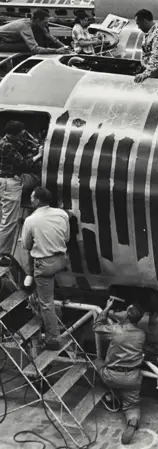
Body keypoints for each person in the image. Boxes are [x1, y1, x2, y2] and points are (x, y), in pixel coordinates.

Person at [21, 187, 70, 351]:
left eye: (32, 197)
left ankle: (53, 339)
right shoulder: (62, 214)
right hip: (62, 260)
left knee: (46, 303)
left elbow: (26, 245)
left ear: (37, 201)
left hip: (45, 266)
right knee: (48, 293)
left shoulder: (30, 220)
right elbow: (67, 237)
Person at [93, 297, 146, 445]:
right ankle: (132, 423)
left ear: (127, 315)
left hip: (112, 375)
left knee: (97, 361)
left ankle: (109, 395)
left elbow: (97, 326)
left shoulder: (116, 330)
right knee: (132, 406)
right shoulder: (141, 334)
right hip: (132, 378)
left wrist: (106, 309)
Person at [0, 121, 44, 258]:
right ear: (14, 134)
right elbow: (23, 164)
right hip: (9, 183)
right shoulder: (6, 146)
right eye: (20, 135)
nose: (21, 137)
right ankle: (3, 253)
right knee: (9, 221)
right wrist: (39, 154)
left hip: (5, 180)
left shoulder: (6, 142)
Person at [0, 9, 70, 54]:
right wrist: (56, 51)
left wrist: (64, 47)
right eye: (45, 23)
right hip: (1, 42)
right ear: (38, 21)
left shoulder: (32, 23)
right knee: (28, 47)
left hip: (6, 40)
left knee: (34, 42)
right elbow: (35, 49)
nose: (46, 25)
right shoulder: (25, 27)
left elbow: (50, 37)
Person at [133, 9, 158, 83]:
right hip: (153, 71)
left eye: (138, 24)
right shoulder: (150, 33)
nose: (138, 27)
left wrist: (145, 74)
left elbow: (156, 56)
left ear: (145, 21)